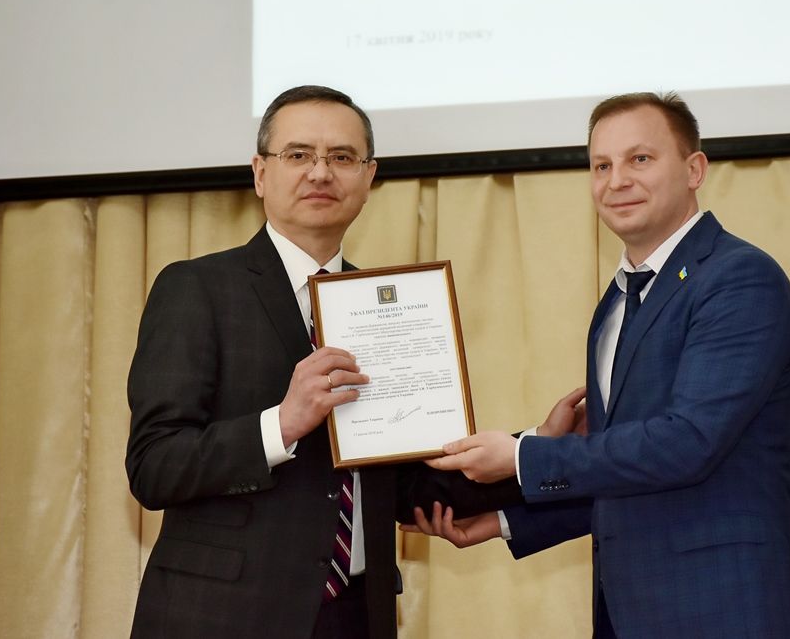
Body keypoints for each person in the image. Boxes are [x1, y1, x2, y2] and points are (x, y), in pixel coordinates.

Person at [408, 92, 790, 638]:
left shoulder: (738, 278)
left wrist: (523, 458)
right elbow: (629, 472)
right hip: (629, 609)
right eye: (601, 165)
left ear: (694, 170)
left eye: (639, 159)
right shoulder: (618, 301)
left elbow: (688, 444)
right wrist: (506, 520)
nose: (617, 180)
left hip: (723, 602)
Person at [125, 85, 518, 639]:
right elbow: (153, 466)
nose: (320, 172)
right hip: (221, 615)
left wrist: (533, 451)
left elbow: (406, 484)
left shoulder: (387, 305)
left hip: (356, 614)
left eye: (341, 157)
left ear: (369, 177)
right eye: (298, 154)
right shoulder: (196, 288)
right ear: (261, 173)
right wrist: (280, 425)